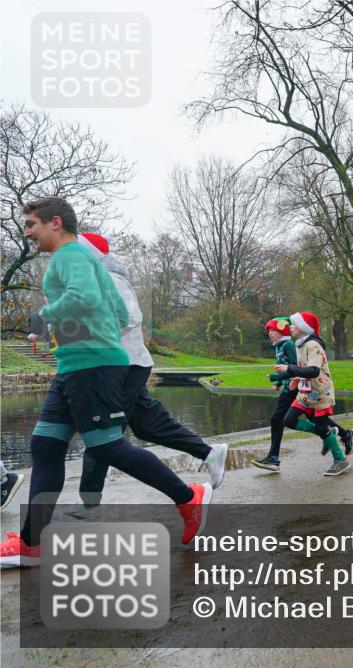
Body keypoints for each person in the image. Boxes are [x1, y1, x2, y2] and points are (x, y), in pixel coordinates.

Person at [1, 197, 210, 568]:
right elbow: (116, 311)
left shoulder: (68, 256)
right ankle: (32, 544)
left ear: (55, 222)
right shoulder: (89, 260)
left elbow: (82, 298)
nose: (27, 232)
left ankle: (188, 497)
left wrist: (44, 318)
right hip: (78, 364)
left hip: (91, 367)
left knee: (106, 445)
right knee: (45, 445)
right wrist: (80, 334)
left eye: (31, 224)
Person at [74, 233, 228, 512]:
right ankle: (207, 452)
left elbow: (129, 317)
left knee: (102, 437)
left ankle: (88, 508)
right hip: (125, 366)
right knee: (147, 425)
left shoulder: (110, 279)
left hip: (122, 367)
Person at [273, 312, 353, 476]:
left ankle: (340, 459)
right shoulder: (300, 344)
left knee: (321, 425)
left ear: (303, 328)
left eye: (294, 324)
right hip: (305, 392)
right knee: (289, 420)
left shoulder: (313, 345)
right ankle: (328, 433)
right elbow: (305, 369)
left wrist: (288, 368)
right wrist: (296, 378)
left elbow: (314, 370)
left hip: (320, 392)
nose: (290, 327)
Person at [252, 317, 304, 471]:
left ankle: (273, 458)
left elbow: (295, 368)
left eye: (273, 330)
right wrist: (280, 382)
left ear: (282, 330)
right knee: (277, 419)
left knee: (277, 419)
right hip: (288, 388)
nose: (270, 333)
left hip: (295, 388)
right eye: (269, 331)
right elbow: (285, 368)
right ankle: (273, 458)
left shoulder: (288, 345)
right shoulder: (278, 346)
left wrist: (276, 377)